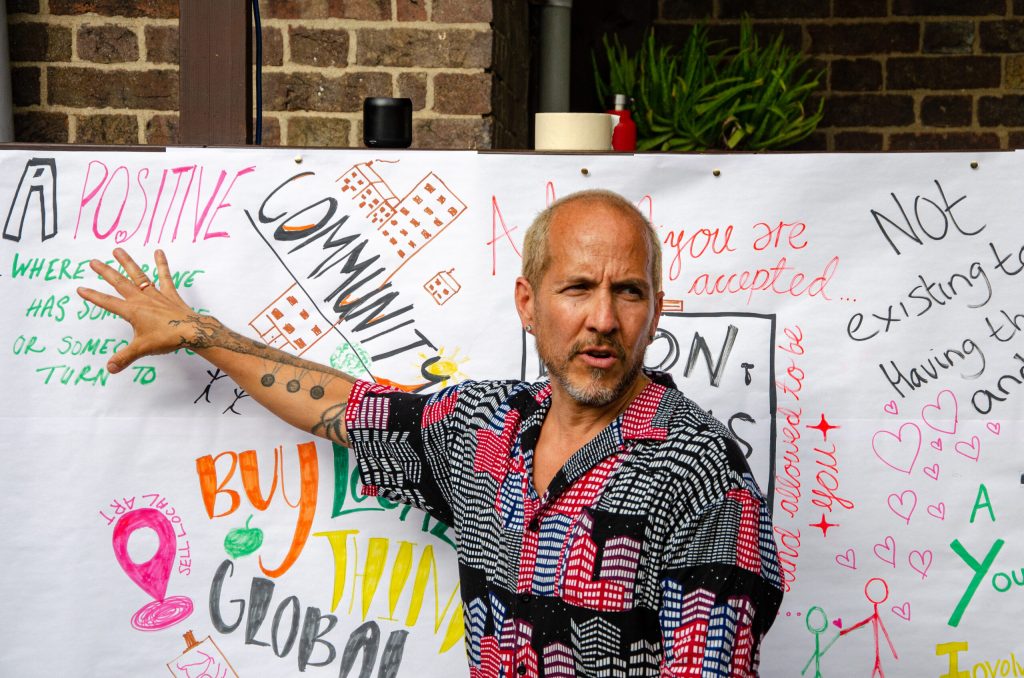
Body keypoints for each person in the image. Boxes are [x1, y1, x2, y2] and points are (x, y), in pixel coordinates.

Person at [78, 189, 783, 676]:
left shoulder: (703, 477)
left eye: (628, 291)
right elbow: (346, 404)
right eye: (577, 288)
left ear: (655, 310)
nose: (603, 317)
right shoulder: (485, 432)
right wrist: (200, 333)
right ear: (528, 304)